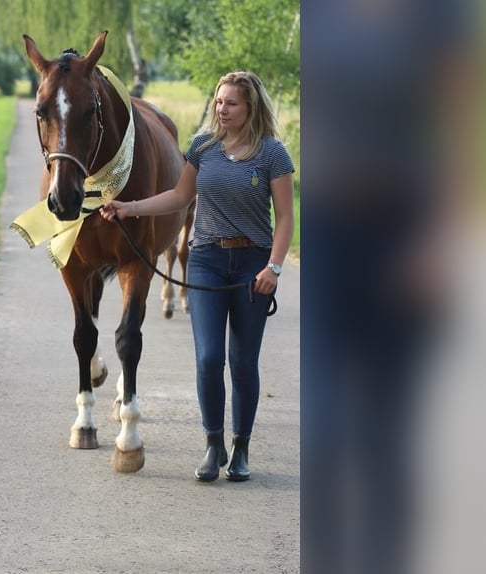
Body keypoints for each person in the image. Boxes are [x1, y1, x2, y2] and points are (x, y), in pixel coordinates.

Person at [99, 71, 295, 482]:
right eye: (218, 102)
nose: (221, 109)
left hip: (252, 266)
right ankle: (213, 445)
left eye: (231, 103)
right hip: (206, 258)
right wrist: (129, 208)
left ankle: (241, 448)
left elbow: (285, 220)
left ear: (251, 108)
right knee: (209, 359)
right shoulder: (202, 148)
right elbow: (179, 197)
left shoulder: (273, 154)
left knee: (243, 363)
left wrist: (273, 267)